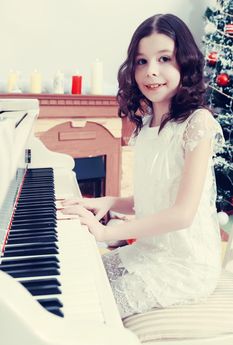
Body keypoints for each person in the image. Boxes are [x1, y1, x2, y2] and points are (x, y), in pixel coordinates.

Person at [62, 13, 224, 319]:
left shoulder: (197, 124)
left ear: (184, 63)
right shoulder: (146, 124)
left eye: (164, 59)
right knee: (79, 275)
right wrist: (109, 201)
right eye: (141, 61)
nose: (151, 72)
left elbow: (182, 213)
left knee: (91, 309)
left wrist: (106, 232)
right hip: (148, 251)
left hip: (186, 265)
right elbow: (155, 199)